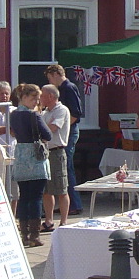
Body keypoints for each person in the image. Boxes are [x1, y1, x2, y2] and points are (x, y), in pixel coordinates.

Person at [8, 83, 51, 247]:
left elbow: (13, 132)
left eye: (37, 99)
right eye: (33, 98)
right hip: (35, 158)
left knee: (24, 197)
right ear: (24, 97)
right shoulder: (34, 116)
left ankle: (24, 234)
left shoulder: (14, 115)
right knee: (36, 198)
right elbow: (47, 134)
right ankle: (34, 235)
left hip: (20, 156)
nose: (36, 102)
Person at [46, 64, 84, 214]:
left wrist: (64, 127)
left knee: (65, 167)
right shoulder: (63, 89)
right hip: (64, 133)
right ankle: (67, 204)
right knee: (64, 168)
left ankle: (74, 204)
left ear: (56, 74)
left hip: (69, 133)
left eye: (49, 77)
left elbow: (75, 113)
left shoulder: (69, 88)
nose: (49, 81)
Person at [39, 84, 71, 231]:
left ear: (50, 96)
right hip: (44, 152)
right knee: (47, 190)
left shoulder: (61, 110)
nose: (40, 98)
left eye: (42, 95)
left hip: (57, 152)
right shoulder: (45, 112)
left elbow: (52, 128)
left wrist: (38, 127)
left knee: (61, 188)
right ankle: (49, 221)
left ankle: (64, 222)